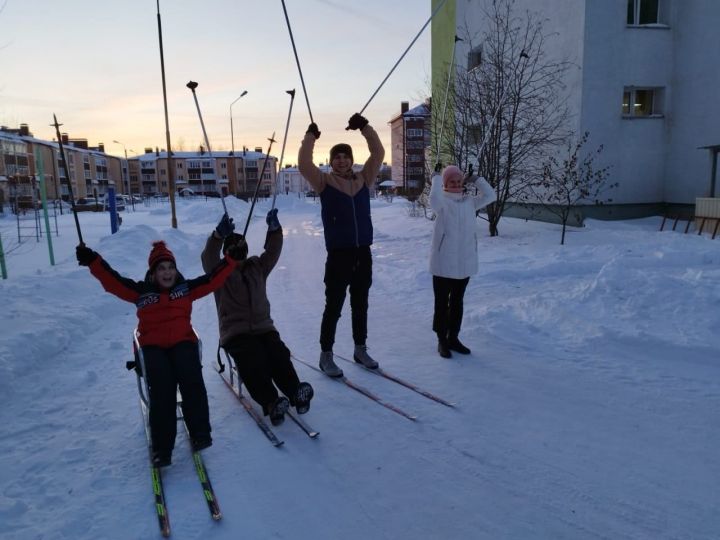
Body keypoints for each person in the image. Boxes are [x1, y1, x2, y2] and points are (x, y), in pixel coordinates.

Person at [75, 234, 240, 467]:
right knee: (162, 387)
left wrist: (231, 259)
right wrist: (92, 260)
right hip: (153, 348)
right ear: (153, 273)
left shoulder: (185, 289)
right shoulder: (141, 292)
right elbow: (113, 281)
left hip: (182, 343)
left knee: (191, 377)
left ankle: (200, 433)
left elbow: (212, 280)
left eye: (171, 267)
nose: (167, 272)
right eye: (161, 268)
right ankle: (162, 448)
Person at [201, 210, 314, 426]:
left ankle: (295, 392)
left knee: (278, 353)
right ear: (226, 253)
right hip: (236, 333)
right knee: (253, 359)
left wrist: (275, 230)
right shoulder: (220, 273)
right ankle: (271, 403)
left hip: (264, 328)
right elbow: (208, 258)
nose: (239, 253)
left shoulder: (257, 267)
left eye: (241, 248)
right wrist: (217, 236)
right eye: (233, 249)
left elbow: (272, 252)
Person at [298, 113, 385, 377]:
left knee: (361, 304)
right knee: (334, 306)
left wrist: (365, 127)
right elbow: (303, 163)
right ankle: (326, 355)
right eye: (337, 156)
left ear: (352, 159)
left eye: (345, 156)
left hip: (363, 253)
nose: (342, 160)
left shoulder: (364, 179)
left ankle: (360, 349)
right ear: (331, 161)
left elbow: (378, 152)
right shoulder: (323, 182)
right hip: (338, 255)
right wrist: (310, 137)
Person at [429, 164, 497, 358]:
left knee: (457, 302)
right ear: (445, 183)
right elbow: (433, 199)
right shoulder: (442, 202)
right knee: (442, 303)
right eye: (452, 181)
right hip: (443, 264)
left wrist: (476, 179)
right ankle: (442, 339)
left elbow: (491, 196)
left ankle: (454, 338)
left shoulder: (469, 202)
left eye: (459, 180)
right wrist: (435, 177)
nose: (456, 183)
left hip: (464, 262)